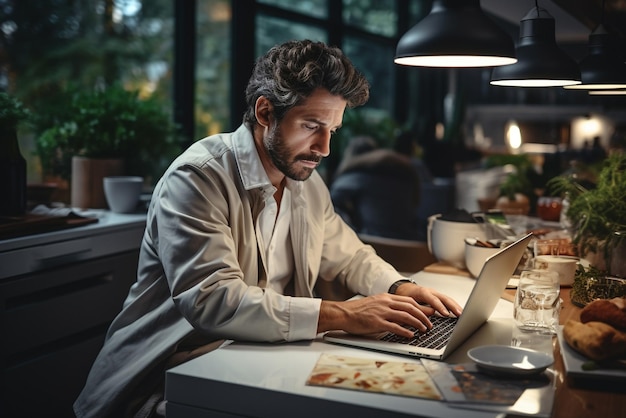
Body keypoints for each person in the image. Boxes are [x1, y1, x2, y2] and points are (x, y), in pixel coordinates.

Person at [74, 39, 462, 418]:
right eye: (312, 125)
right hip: (164, 375)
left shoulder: (305, 182)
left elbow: (350, 255)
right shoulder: (197, 178)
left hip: (252, 361)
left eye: (333, 130)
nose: (324, 147)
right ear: (265, 112)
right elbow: (213, 300)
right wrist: (343, 315)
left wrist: (402, 288)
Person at [330, 136, 421, 240]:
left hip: (374, 242)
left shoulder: (358, 174)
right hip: (410, 243)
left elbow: (329, 202)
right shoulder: (402, 170)